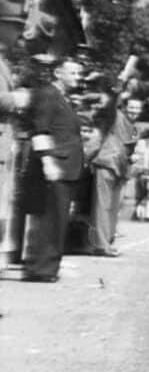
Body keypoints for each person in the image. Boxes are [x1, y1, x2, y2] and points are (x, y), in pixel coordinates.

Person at [11, 59, 81, 282]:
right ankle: (40, 269)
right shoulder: (48, 94)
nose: (77, 77)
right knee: (49, 218)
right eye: (73, 72)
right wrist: (47, 162)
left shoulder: (61, 97)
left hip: (64, 165)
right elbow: (40, 131)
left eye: (79, 73)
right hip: (54, 165)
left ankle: (46, 268)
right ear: (58, 73)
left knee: (57, 219)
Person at [80, 93, 138, 257]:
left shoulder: (132, 127)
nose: (134, 111)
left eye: (137, 108)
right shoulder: (115, 117)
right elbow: (113, 103)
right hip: (106, 164)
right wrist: (123, 84)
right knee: (102, 207)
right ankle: (101, 245)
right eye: (132, 107)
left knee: (112, 207)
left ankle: (106, 242)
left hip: (119, 169)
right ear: (124, 107)